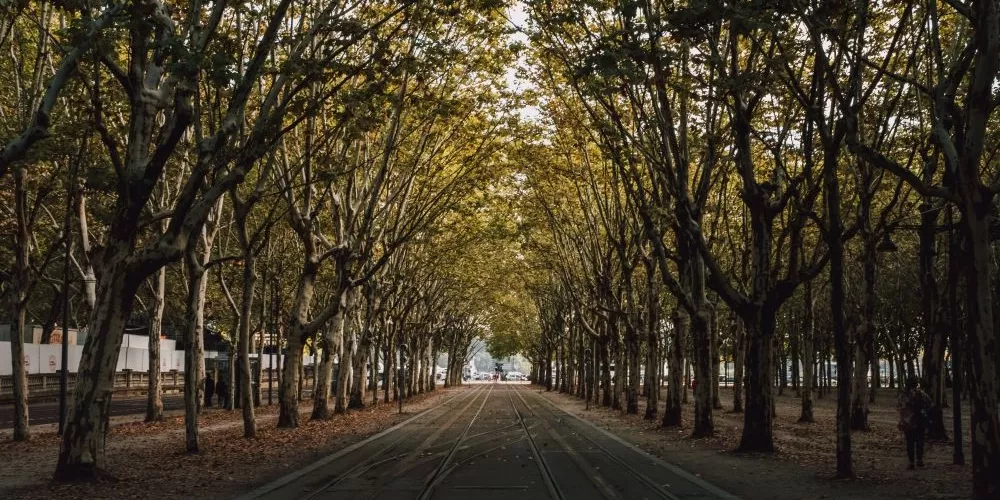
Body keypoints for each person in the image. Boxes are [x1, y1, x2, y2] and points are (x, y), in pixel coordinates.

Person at [898, 376, 931, 469]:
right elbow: (930, 404)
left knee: (910, 442)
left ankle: (911, 462)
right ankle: (919, 460)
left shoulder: (903, 395)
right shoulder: (921, 393)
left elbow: (900, 407)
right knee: (920, 441)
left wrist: (902, 420)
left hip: (908, 421)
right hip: (920, 419)